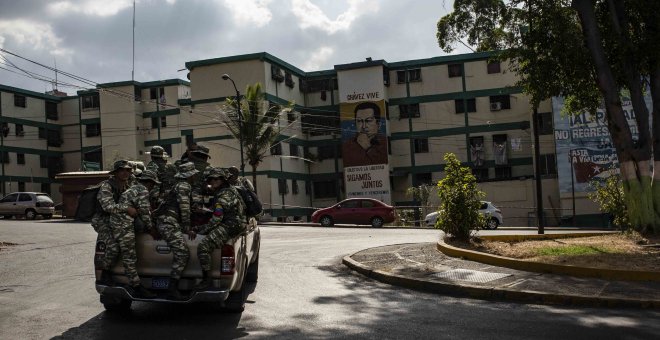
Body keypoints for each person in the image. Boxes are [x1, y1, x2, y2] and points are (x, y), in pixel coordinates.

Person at [188, 167, 247, 289]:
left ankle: (206, 280)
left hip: (231, 225)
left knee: (203, 246)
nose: (214, 181)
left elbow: (217, 219)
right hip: (234, 222)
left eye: (217, 179)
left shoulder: (223, 195)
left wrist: (200, 230)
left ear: (223, 180)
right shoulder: (226, 191)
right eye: (211, 179)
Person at [107, 169, 160, 298]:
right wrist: (151, 228)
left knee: (114, 250)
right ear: (149, 183)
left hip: (116, 222)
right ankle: (136, 286)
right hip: (124, 224)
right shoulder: (143, 190)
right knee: (129, 256)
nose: (153, 187)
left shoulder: (133, 188)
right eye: (153, 184)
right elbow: (144, 211)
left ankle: (105, 275)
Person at [155, 162, 198, 300]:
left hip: (166, 221)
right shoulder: (184, 186)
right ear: (190, 175)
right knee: (183, 253)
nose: (195, 176)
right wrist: (187, 228)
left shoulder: (177, 186)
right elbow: (184, 209)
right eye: (193, 174)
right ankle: (172, 288)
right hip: (168, 222)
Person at [92, 160, 138, 285]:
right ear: (116, 172)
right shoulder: (107, 186)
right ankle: (104, 276)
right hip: (103, 220)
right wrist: (127, 209)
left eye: (128, 170)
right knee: (112, 246)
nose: (125, 173)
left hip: (119, 220)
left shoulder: (129, 185)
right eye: (122, 170)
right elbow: (108, 206)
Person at [342, 101, 388, 167]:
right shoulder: (347, 147)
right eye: (359, 121)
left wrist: (369, 149)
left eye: (368, 120)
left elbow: (385, 165)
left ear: (378, 124)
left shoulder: (386, 144)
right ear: (355, 123)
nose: (363, 126)